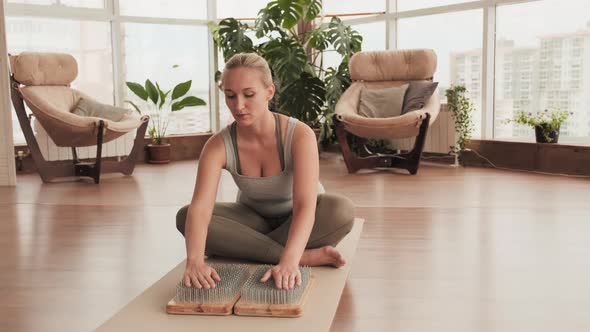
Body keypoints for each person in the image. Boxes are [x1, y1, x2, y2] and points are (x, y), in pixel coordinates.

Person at [176, 53, 355, 291]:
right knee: (185, 217)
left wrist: (289, 263)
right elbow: (200, 208)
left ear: (269, 92)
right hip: (253, 220)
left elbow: (305, 206)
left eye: (249, 95)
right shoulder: (218, 145)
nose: (238, 105)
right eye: (230, 96)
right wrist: (195, 261)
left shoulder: (299, 135)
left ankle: (270, 250)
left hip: (302, 218)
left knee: (341, 210)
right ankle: (306, 255)